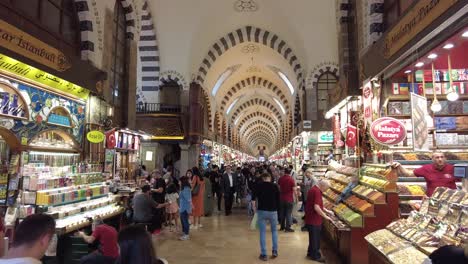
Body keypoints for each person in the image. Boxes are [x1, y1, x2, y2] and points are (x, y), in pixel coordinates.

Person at [393, 152, 459, 197]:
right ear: (432, 159)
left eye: (442, 157)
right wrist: (400, 166)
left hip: (450, 200)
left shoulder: (452, 168)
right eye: (437, 157)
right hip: (433, 199)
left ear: (445, 158)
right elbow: (408, 174)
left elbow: (464, 179)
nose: (440, 159)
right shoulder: (426, 168)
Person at [251, 173, 280, 261]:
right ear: (270, 178)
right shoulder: (275, 186)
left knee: (262, 232)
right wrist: (277, 210)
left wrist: (254, 209)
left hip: (262, 211)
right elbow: (278, 200)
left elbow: (253, 200)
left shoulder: (258, 186)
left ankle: (264, 254)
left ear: (262, 178)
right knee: (274, 231)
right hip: (273, 211)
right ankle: (274, 251)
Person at [305, 179, 334, 263]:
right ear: (323, 186)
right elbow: (316, 207)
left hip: (310, 218)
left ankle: (310, 253)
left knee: (312, 237)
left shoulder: (313, 189)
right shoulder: (317, 192)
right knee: (315, 239)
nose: (326, 190)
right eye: (326, 188)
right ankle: (316, 256)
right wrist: (325, 217)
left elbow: (319, 205)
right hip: (314, 219)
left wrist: (327, 211)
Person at [277, 167, 296, 232]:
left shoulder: (280, 179)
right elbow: (294, 189)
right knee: (288, 213)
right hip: (289, 198)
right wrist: (296, 198)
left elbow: (279, 188)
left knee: (282, 213)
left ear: (284, 172)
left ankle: (282, 226)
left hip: (282, 198)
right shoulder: (291, 179)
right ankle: (287, 227)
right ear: (290, 172)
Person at [151, 170, 167, 235]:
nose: (153, 177)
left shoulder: (160, 180)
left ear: (157, 174)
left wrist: (151, 189)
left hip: (159, 200)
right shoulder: (158, 180)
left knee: (158, 214)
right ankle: (157, 228)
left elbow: (160, 190)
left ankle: (158, 229)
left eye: (153, 175)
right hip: (156, 199)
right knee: (156, 214)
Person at [179, 176, 192, 241]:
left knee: (185, 221)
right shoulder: (184, 188)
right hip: (183, 207)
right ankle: (184, 233)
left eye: (180, 181)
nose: (179, 182)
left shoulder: (186, 189)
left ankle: (186, 235)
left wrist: (192, 205)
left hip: (185, 208)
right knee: (183, 221)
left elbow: (188, 199)